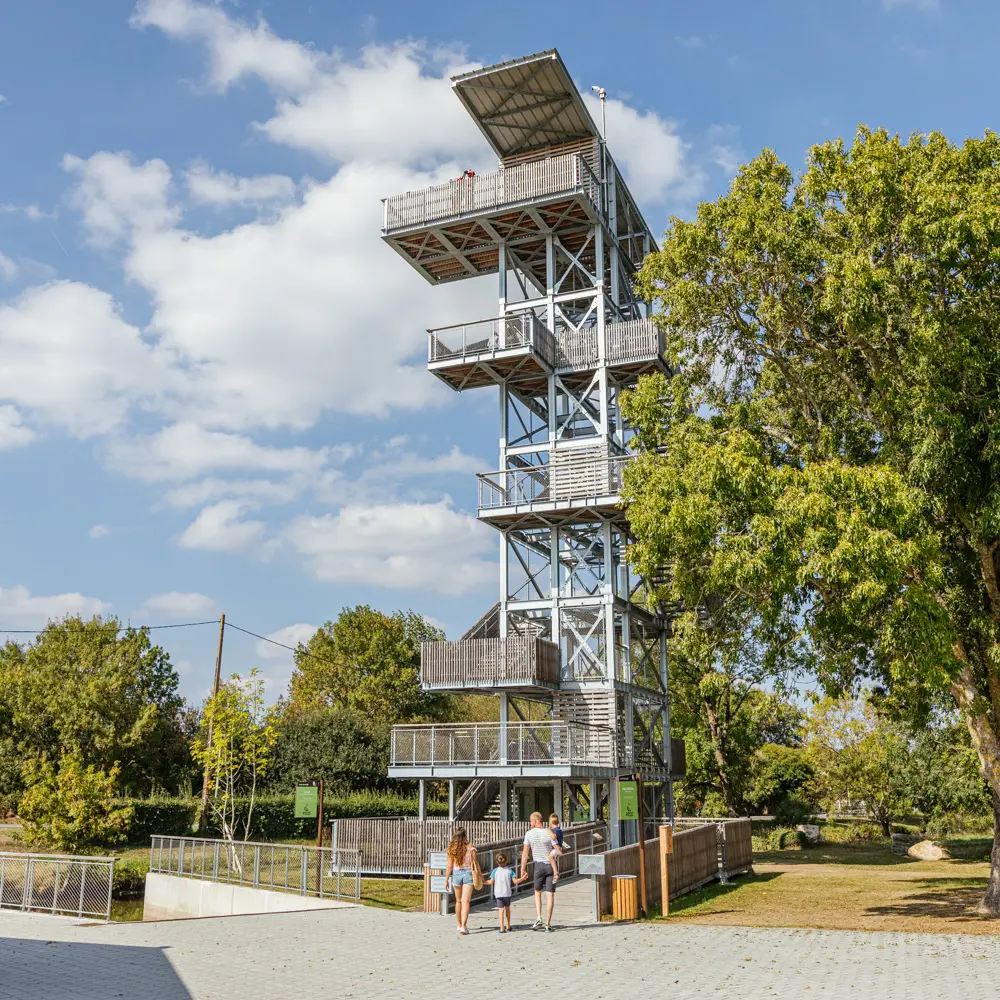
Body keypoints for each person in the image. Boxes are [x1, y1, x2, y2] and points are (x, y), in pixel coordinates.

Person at [520, 811, 559, 932]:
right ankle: (548, 924)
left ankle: (539, 918)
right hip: (550, 867)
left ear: (536, 821)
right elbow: (557, 849)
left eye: (531, 821)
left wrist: (522, 869)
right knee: (550, 894)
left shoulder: (529, 834)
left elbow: (525, 853)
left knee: (537, 892)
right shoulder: (549, 833)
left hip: (538, 866)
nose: (530, 823)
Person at [445, 826, 477, 936]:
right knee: (466, 901)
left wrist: (446, 879)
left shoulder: (451, 848)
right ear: (465, 835)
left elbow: (449, 866)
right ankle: (464, 925)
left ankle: (459, 924)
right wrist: (481, 877)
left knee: (458, 901)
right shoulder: (469, 846)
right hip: (468, 873)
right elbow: (474, 862)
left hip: (456, 873)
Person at [485, 851, 525, 933]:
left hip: (498, 894)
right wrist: (523, 878)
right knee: (507, 909)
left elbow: (490, 882)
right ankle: (508, 925)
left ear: (497, 862)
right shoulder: (510, 871)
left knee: (500, 910)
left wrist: (482, 881)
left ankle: (501, 928)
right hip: (507, 893)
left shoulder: (495, 871)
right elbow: (515, 881)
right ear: (506, 861)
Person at [548, 813, 565, 878]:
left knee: (551, 857)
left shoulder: (555, 830)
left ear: (551, 822)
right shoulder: (559, 829)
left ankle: (555, 872)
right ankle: (555, 872)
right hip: (558, 847)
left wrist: (549, 831)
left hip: (556, 848)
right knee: (553, 860)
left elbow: (554, 837)